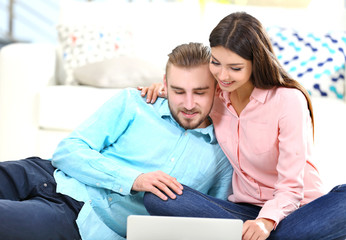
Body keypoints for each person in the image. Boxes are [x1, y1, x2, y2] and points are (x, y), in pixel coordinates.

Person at [140, 12, 346, 240]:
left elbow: (290, 188)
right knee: (158, 196)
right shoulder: (215, 95)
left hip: (299, 210)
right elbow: (188, 94)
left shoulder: (288, 100)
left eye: (235, 68)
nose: (223, 75)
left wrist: (266, 222)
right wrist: (166, 89)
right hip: (244, 212)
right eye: (216, 63)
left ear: (256, 63)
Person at [0, 42, 233, 240]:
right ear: (165, 83)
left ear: (216, 89)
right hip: (45, 173)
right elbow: (67, 151)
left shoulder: (222, 157)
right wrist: (134, 179)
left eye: (200, 92)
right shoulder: (136, 102)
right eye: (179, 91)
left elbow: (213, 224)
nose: (189, 104)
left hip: (79, 215)